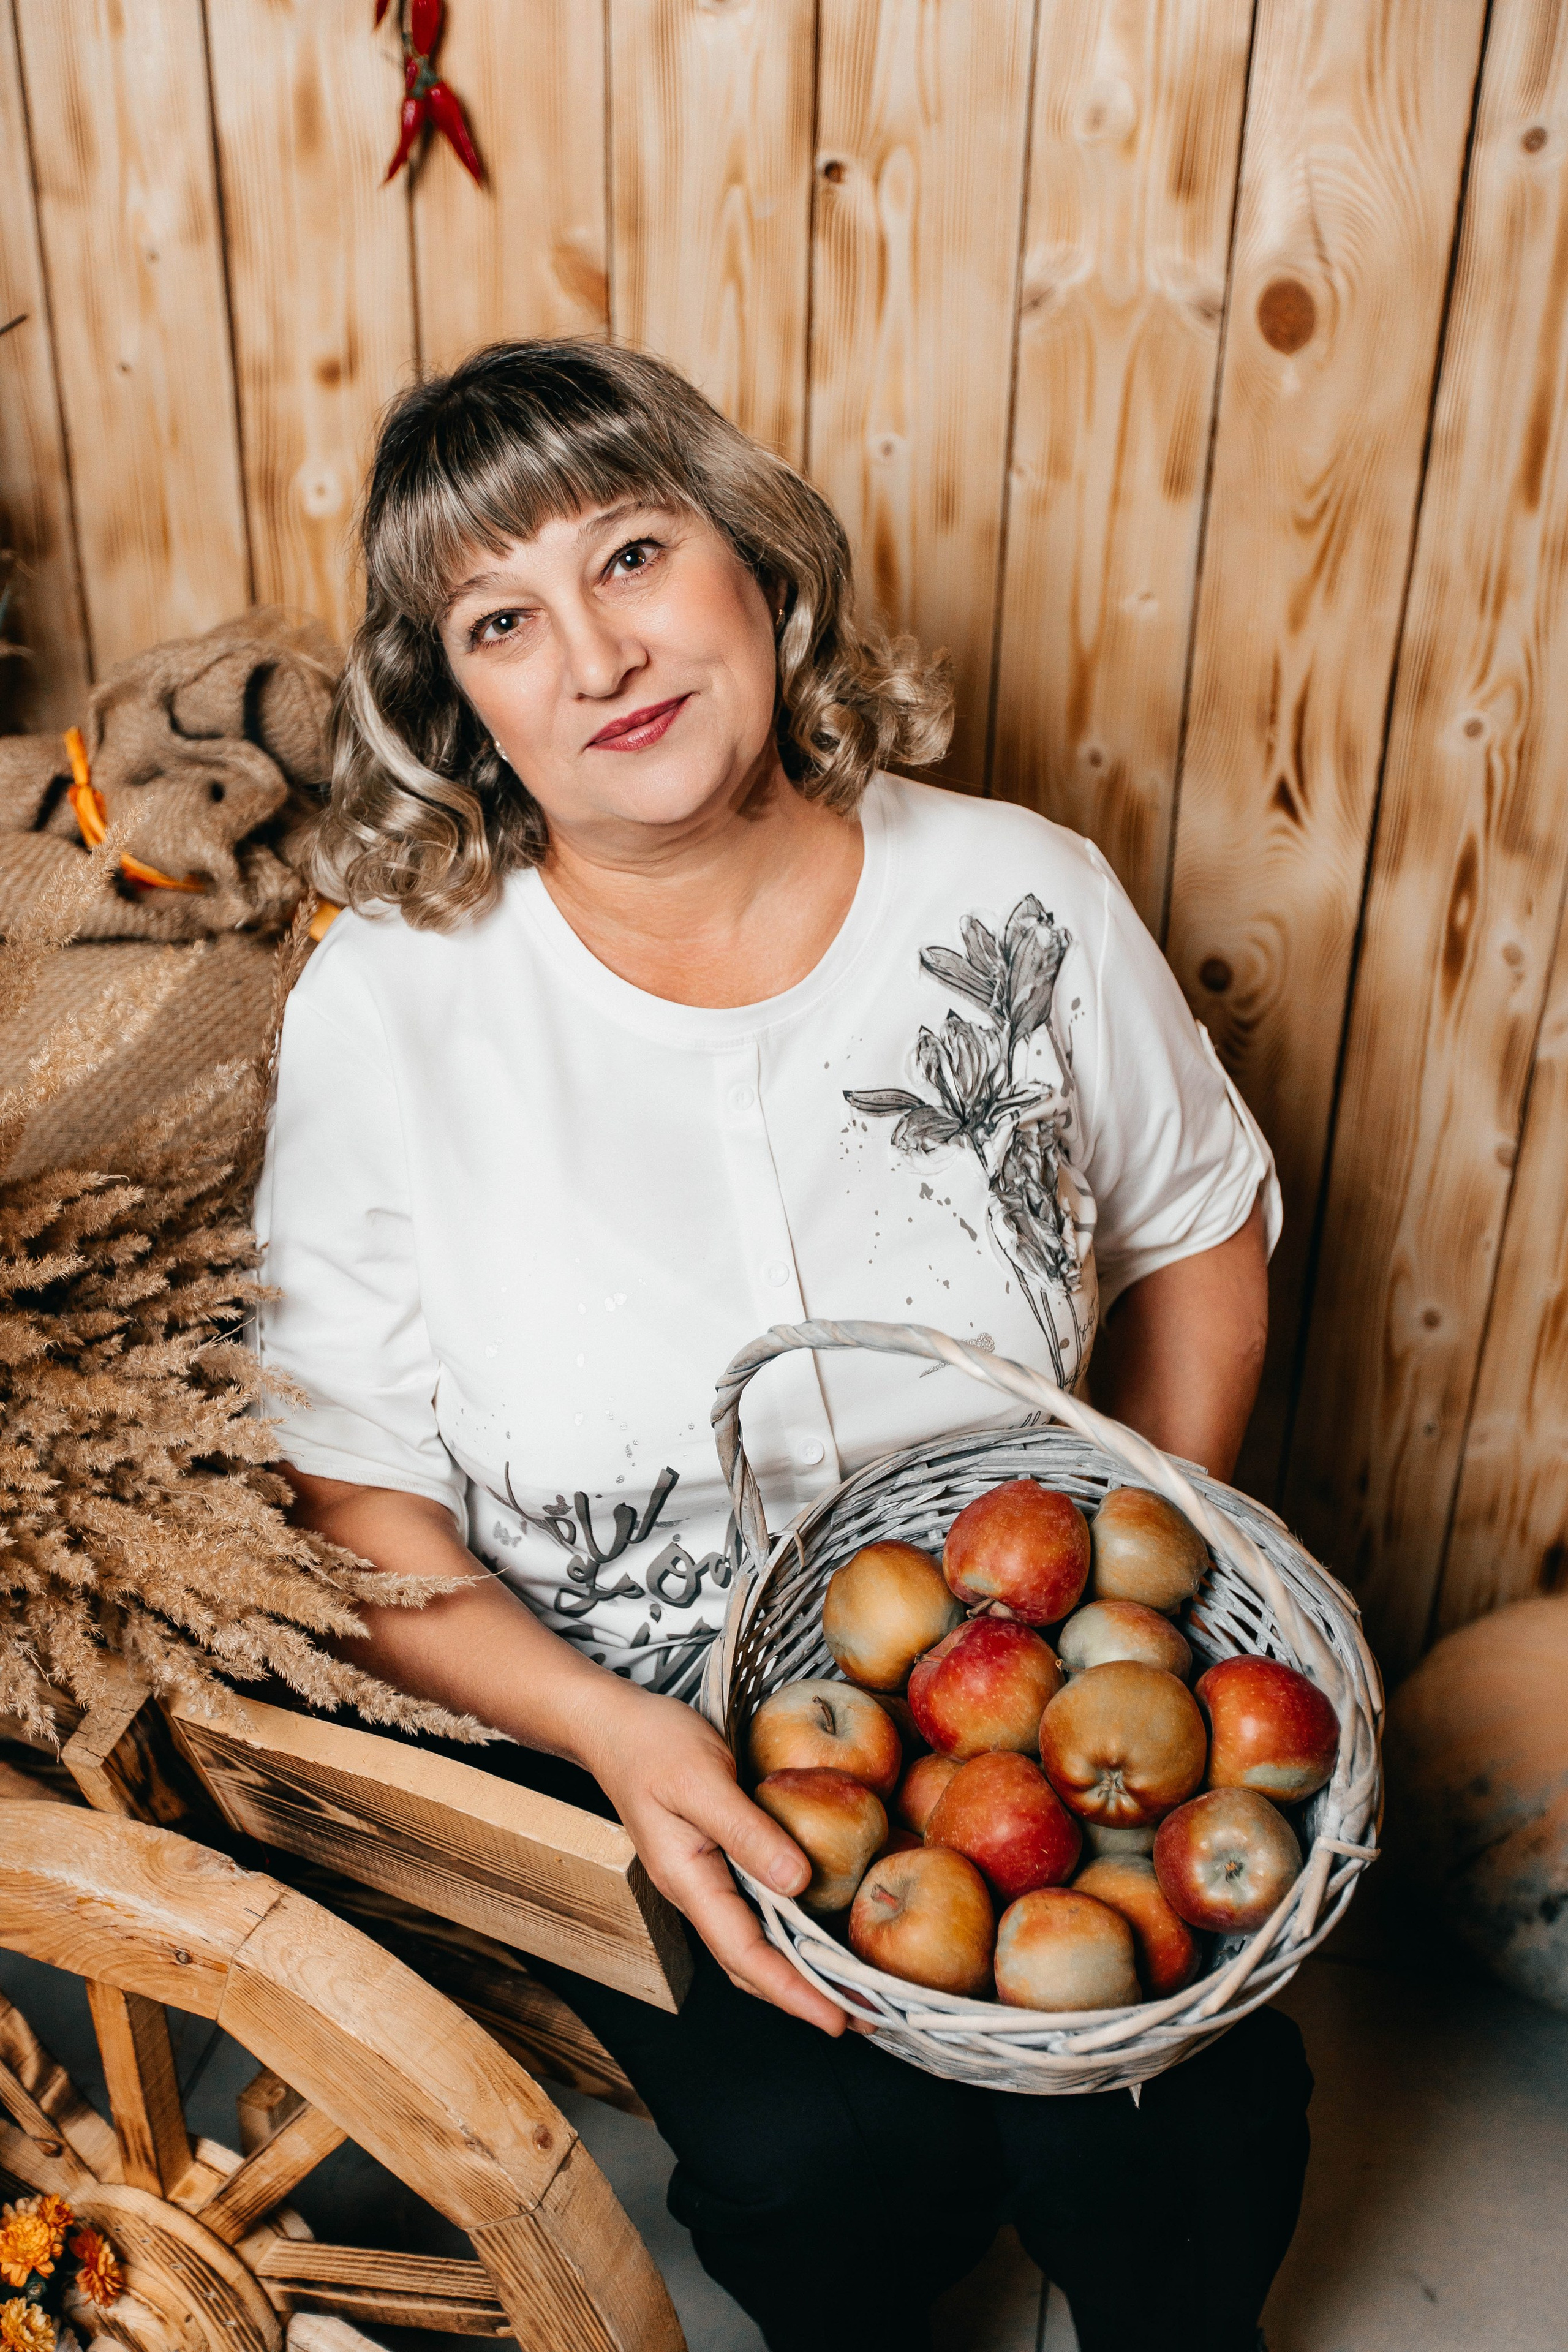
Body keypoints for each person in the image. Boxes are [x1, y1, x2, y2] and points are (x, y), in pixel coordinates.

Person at [257, 339, 1311, 2352]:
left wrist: (1165, 1555)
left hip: (1039, 1666)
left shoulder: (1015, 899)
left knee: (1179, 2140)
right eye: (504, 618)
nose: (598, 654)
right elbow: (356, 1489)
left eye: (633, 553)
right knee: (829, 2171)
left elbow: (1200, 1224)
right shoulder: (398, 1007)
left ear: (753, 559)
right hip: (629, 1706)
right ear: (456, 706)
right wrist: (614, 1735)